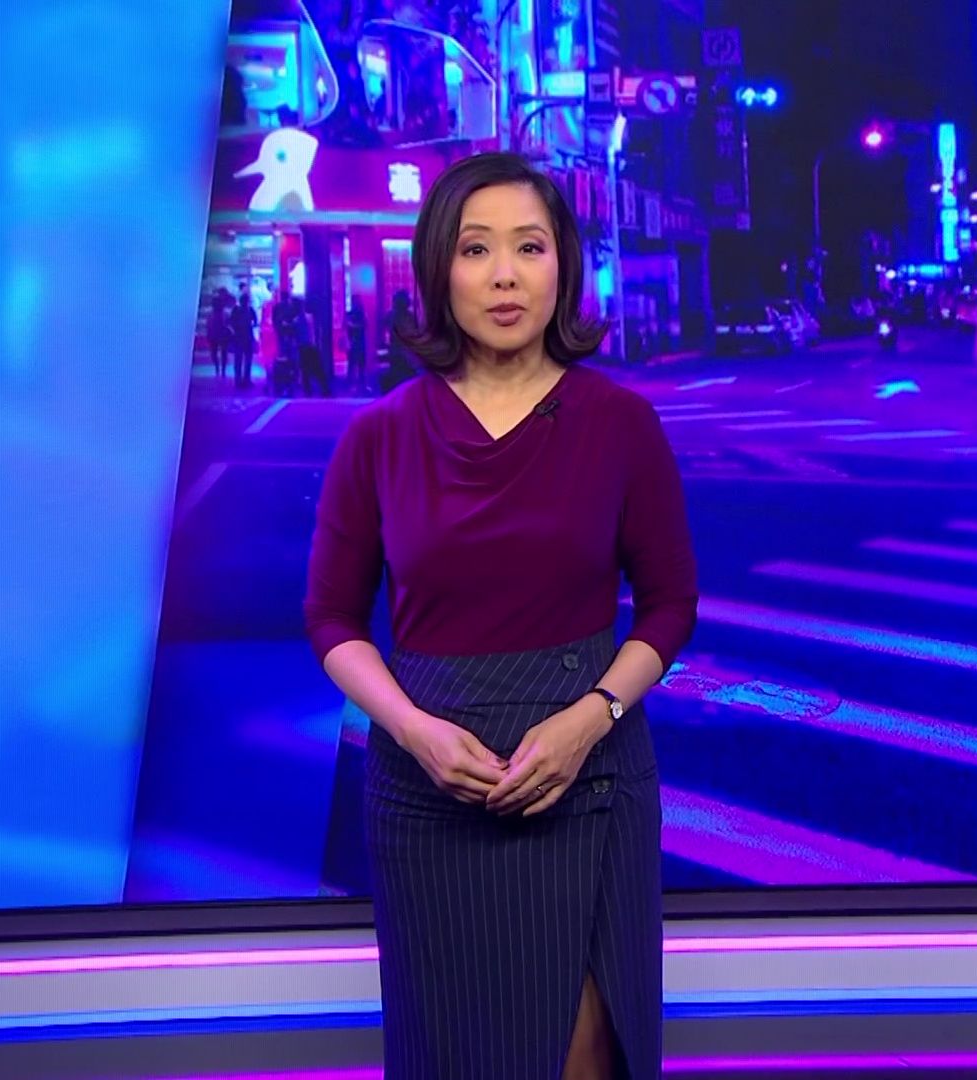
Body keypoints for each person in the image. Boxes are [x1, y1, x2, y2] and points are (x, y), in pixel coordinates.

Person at [302, 152, 697, 1080]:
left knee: (582, 1054)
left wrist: (590, 718)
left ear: (564, 265)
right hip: (427, 790)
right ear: (438, 269)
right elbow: (331, 619)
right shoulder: (380, 435)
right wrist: (412, 731)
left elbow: (670, 604)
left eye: (530, 246)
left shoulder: (621, 424)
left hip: (588, 779)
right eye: (477, 249)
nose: (506, 275)